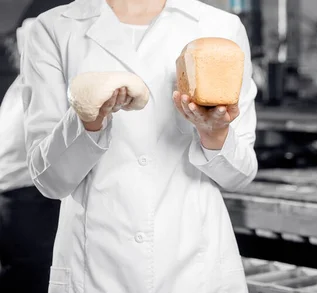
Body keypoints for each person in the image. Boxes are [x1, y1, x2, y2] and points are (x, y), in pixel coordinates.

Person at [21, 0, 258, 292]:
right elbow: (48, 180)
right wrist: (87, 122)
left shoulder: (221, 28)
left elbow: (241, 174)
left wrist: (215, 134)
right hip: (94, 267)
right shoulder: (53, 28)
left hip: (196, 267)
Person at [0, 18, 61, 293]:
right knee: (33, 274)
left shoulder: (19, 86)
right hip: (25, 196)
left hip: (14, 196)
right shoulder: (32, 86)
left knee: (25, 273)